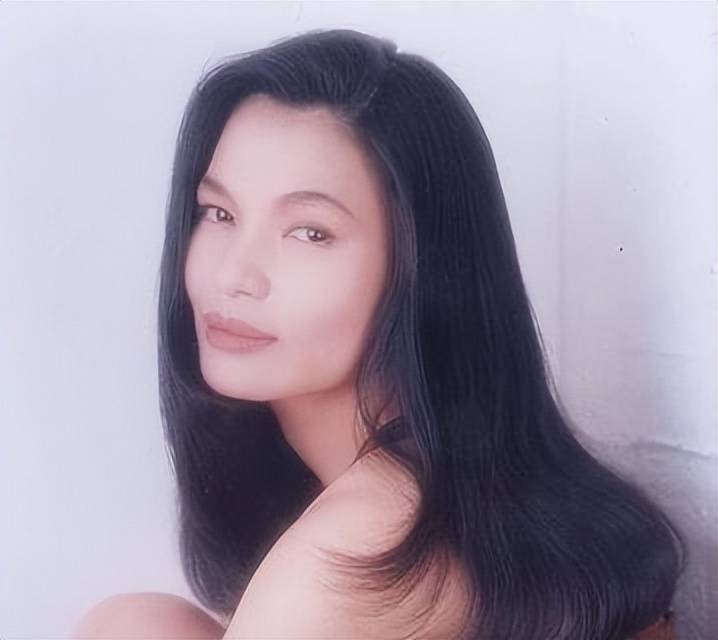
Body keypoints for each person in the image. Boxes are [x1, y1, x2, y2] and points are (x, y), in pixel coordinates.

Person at [71, 28, 686, 639]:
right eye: (219, 213)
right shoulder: (458, 498)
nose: (234, 275)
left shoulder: (364, 555)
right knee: (139, 626)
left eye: (310, 232)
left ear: (420, 267)